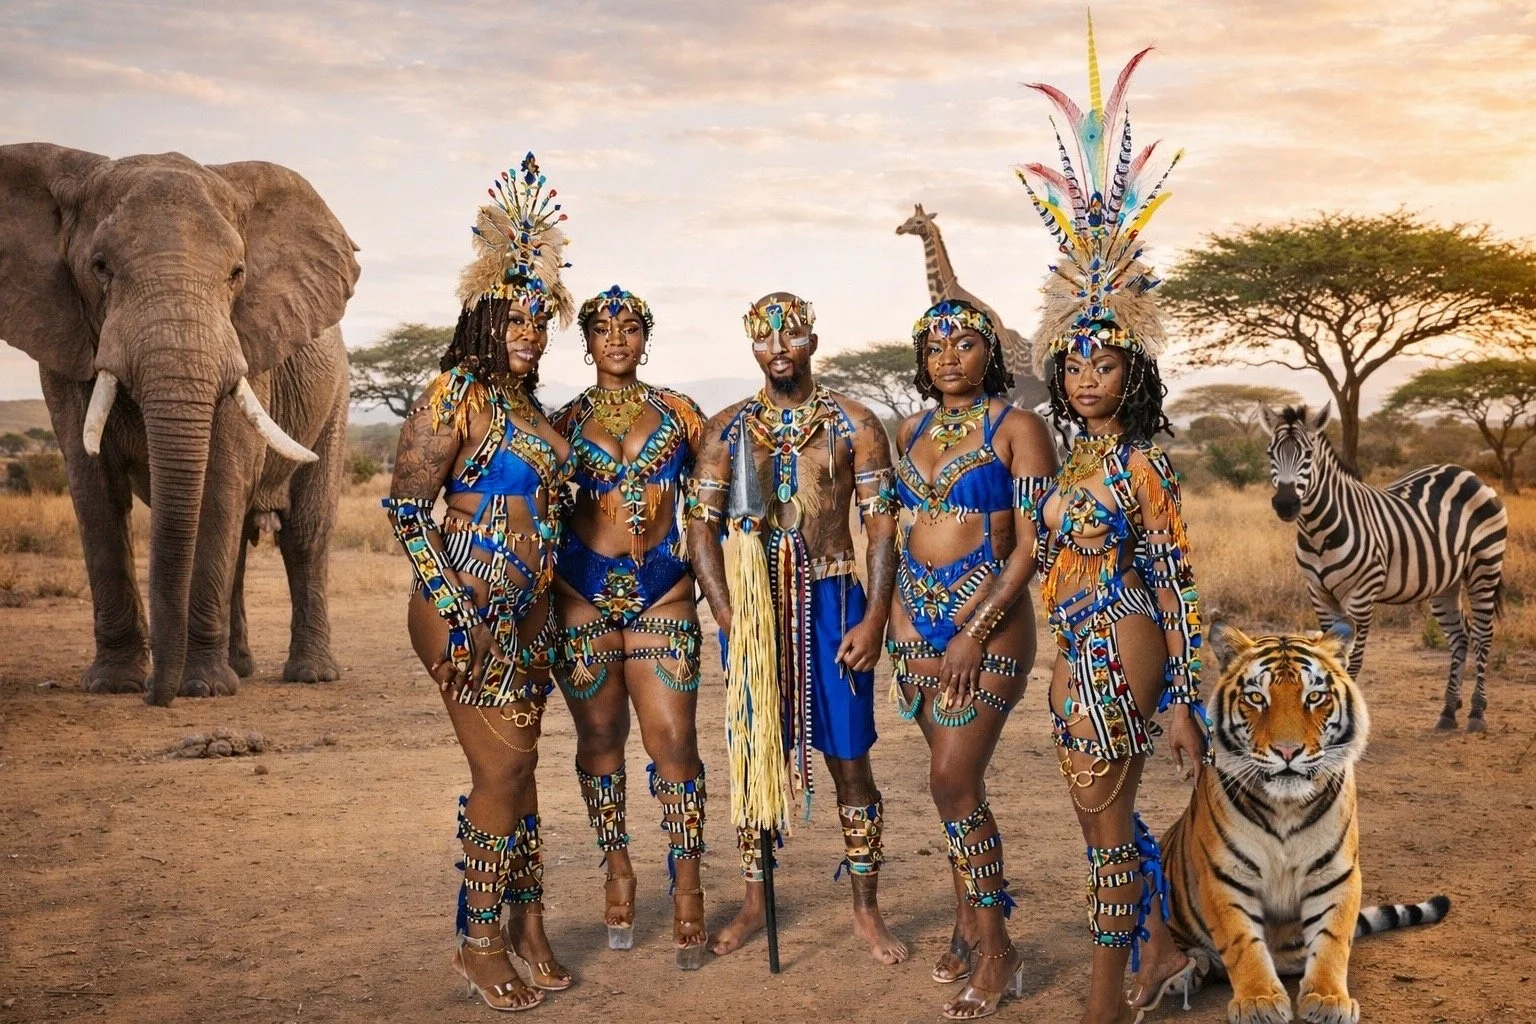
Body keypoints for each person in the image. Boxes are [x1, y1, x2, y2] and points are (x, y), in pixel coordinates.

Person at [1014, 26, 1211, 1024]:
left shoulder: (1139, 464)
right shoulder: (1067, 460)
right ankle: (1162, 950)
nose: (1089, 378)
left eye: (1107, 364)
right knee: (1102, 818)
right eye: (1077, 364)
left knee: (1101, 819)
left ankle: (1103, 1002)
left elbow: (1177, 580)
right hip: (1068, 644)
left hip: (1120, 635)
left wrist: (1184, 700)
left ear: (1134, 373)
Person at [383, 153, 576, 1012]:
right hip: (467, 609)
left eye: (539, 322)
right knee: (502, 773)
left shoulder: (528, 408)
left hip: (530, 613)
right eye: (514, 321)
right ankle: (480, 941)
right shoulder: (453, 393)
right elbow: (407, 511)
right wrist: (462, 616)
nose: (530, 334)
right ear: (482, 322)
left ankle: (528, 925)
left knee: (522, 771)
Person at [686, 292, 908, 965]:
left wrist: (874, 618)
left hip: (835, 603)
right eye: (764, 337)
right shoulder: (726, 430)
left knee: (851, 761)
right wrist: (729, 614)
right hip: (754, 608)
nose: (778, 349)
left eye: (791, 336)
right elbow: (701, 531)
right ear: (751, 345)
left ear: (813, 339)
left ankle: (866, 909)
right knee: (756, 756)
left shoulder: (855, 423)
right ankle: (755, 902)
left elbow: (881, 529)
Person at [888, 298, 1057, 1019]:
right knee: (955, 789)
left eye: (963, 343)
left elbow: (1032, 546)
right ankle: (966, 924)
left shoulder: (1019, 428)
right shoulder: (910, 429)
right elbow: (901, 532)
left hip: (988, 627)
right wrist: (898, 620)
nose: (948, 357)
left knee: (951, 781)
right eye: (935, 347)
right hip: (915, 626)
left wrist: (973, 630)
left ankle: (997, 951)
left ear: (992, 351)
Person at [551, 285, 710, 969]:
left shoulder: (681, 414)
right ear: (586, 340)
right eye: (603, 327)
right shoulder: (561, 421)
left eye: (630, 327)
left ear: (646, 338)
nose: (617, 338)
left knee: (673, 739)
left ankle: (688, 883)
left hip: (663, 591)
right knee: (598, 737)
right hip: (580, 591)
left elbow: (716, 498)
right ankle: (617, 868)